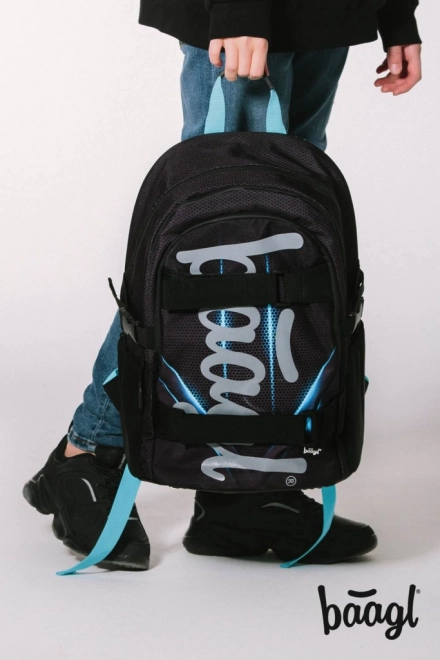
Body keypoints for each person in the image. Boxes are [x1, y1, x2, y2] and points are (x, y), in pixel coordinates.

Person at [23, 1, 422, 571]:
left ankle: (244, 486)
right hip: (247, 13)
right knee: (214, 228)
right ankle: (87, 452)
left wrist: (395, 12)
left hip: (329, 11)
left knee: (277, 229)